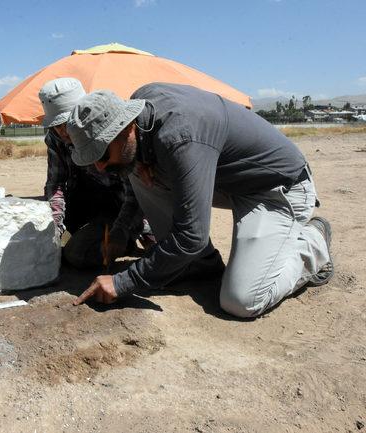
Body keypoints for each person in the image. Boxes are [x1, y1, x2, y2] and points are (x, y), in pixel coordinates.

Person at [67, 83, 333, 318]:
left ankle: (313, 240)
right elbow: (143, 156)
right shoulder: (142, 108)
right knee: (133, 166)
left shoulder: (179, 136)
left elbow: (190, 236)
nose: (100, 167)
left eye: (102, 154)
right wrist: (142, 160)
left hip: (276, 188)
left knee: (242, 300)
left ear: (127, 128)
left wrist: (124, 282)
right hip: (227, 179)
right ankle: (200, 265)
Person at [38, 78, 144, 268]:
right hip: (87, 199)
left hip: (123, 202)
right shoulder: (55, 139)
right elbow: (56, 183)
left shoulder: (109, 132)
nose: (62, 131)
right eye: (57, 125)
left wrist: (122, 229)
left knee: (158, 245)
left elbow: (135, 194)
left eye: (67, 123)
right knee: (68, 250)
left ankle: (133, 235)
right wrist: (55, 226)